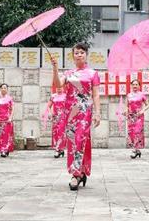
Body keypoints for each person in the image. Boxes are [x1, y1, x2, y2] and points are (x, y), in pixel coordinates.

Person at [51, 42, 101, 191]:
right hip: (70, 112)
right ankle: (81, 171)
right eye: (76, 53)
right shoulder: (68, 73)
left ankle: (76, 174)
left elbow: (96, 94)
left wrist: (97, 113)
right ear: (73, 56)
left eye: (81, 52)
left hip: (85, 111)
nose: (79, 54)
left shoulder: (93, 73)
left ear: (86, 55)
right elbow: (58, 85)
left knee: (80, 138)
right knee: (73, 141)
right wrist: (55, 68)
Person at [125, 79, 148, 159]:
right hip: (131, 116)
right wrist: (125, 111)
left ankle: (135, 151)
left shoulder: (142, 95)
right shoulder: (129, 95)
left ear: (139, 86)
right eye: (133, 84)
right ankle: (137, 150)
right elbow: (126, 106)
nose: (135, 86)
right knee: (131, 133)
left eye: (136, 84)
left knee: (137, 132)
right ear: (131, 86)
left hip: (139, 116)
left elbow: (148, 105)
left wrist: (142, 110)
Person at [45, 85, 67, 158]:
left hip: (63, 117)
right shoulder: (53, 96)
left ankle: (58, 150)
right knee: (56, 133)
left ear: (63, 88)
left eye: (60, 88)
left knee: (61, 133)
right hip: (55, 118)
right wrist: (51, 113)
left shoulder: (66, 96)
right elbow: (48, 106)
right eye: (58, 88)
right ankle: (60, 150)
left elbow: (70, 106)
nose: (59, 89)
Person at [0, 83, 14, 157]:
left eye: (5, 88)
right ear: (0, 89)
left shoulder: (10, 98)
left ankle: (5, 150)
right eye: (2, 88)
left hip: (7, 119)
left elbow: (12, 109)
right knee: (0, 136)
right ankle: (2, 150)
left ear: (7, 89)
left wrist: (10, 117)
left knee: (6, 135)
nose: (3, 89)